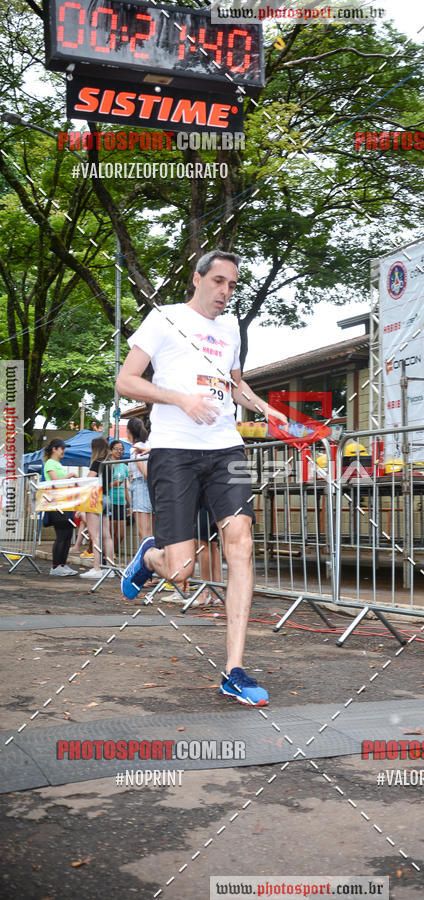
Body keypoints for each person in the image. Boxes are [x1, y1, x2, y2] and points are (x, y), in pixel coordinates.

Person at [116, 249, 287, 707]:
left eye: (232, 285)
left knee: (241, 544)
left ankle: (234, 670)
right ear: (197, 278)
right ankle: (151, 559)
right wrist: (180, 400)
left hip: (225, 447)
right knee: (182, 571)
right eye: (218, 282)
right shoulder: (164, 319)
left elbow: (234, 385)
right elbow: (126, 381)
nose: (225, 293)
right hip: (175, 450)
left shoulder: (231, 328)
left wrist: (265, 407)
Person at [80, 436, 115, 579]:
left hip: (96, 499)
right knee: (107, 535)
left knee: (95, 536)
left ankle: (97, 567)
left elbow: (89, 479)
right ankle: (111, 568)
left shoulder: (97, 462)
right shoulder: (110, 462)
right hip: (107, 498)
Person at [43, 439, 78, 576]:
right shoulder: (50, 463)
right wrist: (69, 476)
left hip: (64, 502)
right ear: (54, 449)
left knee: (68, 534)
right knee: (62, 535)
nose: (64, 451)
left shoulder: (57, 464)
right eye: (62, 448)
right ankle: (56, 566)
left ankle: (62, 564)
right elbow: (54, 481)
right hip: (55, 503)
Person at [126, 418, 154, 542]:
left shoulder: (135, 449)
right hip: (153, 488)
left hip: (141, 486)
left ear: (129, 431)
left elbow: (145, 472)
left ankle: (145, 560)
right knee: (152, 532)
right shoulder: (149, 446)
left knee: (144, 533)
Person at [107, 439, 131, 554]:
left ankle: (113, 552)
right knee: (111, 532)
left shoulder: (124, 466)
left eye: (121, 449)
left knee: (121, 534)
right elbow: (102, 485)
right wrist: (113, 484)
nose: (119, 451)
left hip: (122, 503)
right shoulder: (107, 465)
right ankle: (109, 554)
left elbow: (126, 487)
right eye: (116, 448)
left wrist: (129, 504)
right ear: (111, 450)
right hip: (110, 502)